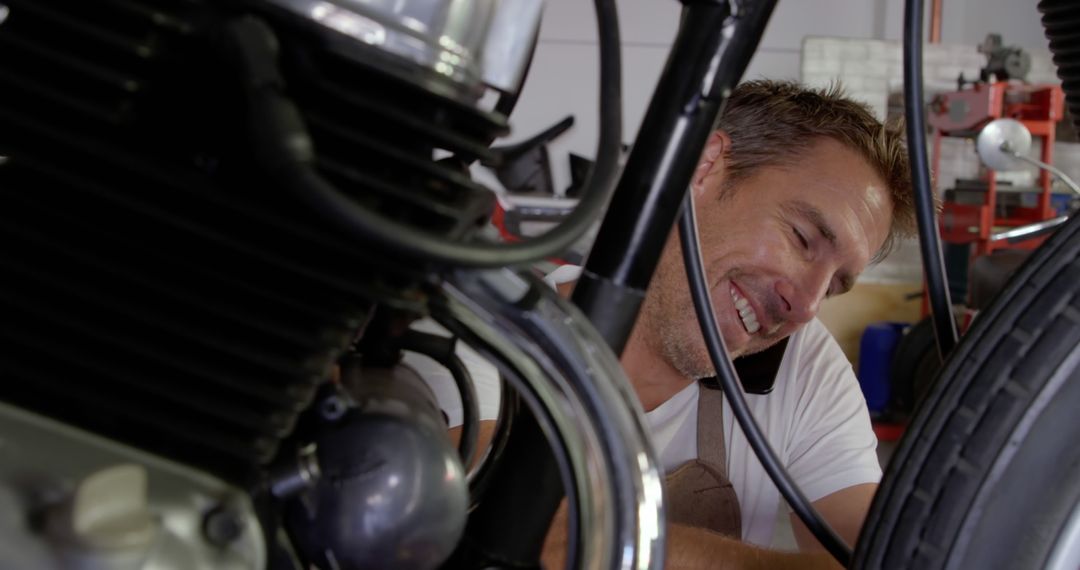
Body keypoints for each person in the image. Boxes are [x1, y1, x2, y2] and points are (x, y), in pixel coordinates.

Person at [409, 79, 916, 569]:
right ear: (707, 166)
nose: (805, 305)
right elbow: (517, 527)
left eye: (833, 286)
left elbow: (879, 554)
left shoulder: (800, 366)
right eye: (803, 238)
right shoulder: (487, 327)